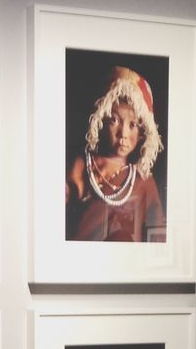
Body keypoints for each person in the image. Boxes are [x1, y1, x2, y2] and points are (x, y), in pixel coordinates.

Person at [66, 67, 166, 243]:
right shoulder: (82, 164)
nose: (123, 134)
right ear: (101, 119)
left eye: (133, 125)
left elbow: (158, 235)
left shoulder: (143, 180)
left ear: (143, 131)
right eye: (115, 120)